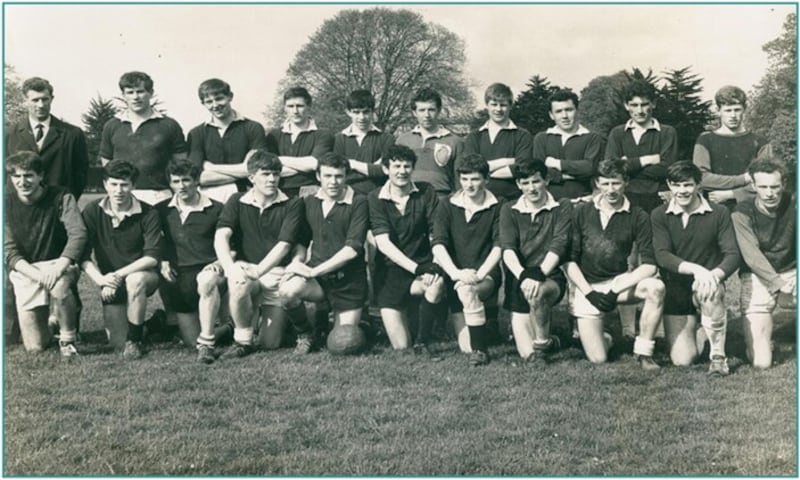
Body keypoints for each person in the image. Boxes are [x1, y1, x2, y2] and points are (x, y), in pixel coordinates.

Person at [5, 77, 89, 344]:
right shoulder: (9, 133)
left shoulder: (71, 134)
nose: (40, 105)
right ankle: (15, 329)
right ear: (25, 100)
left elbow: (79, 175)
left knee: (63, 276)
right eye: (34, 99)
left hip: (58, 211)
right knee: (16, 271)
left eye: (45, 99)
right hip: (21, 211)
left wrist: (63, 205)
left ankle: (69, 329)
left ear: (52, 98)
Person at [565, 159, 665, 368]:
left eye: (616, 183)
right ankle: (607, 336)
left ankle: (643, 352)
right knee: (598, 358)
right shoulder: (581, 211)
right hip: (588, 286)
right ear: (597, 184)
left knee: (656, 288)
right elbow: (569, 261)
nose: (611, 190)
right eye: (606, 183)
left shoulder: (638, 215)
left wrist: (613, 291)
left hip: (619, 284)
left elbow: (649, 265)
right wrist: (589, 292)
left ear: (626, 182)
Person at [651, 161, 741, 376]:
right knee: (683, 360)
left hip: (707, 283)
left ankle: (718, 357)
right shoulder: (659, 214)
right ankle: (704, 329)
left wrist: (713, 275)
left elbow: (733, 254)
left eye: (688, 185)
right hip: (676, 288)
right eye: (676, 185)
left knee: (710, 293)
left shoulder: (718, 212)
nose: (682, 191)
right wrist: (696, 269)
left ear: (698, 185)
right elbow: (662, 255)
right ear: (669, 185)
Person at [214, 149, 305, 358]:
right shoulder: (237, 200)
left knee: (270, 344)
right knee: (238, 279)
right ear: (251, 177)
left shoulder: (293, 203)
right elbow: (222, 236)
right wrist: (229, 269)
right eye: (265, 174)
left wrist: (260, 270)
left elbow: (284, 245)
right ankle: (242, 340)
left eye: (275, 173)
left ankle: (271, 323)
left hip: (276, 274)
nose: (272, 179)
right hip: (248, 272)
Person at [279, 152, 369, 348]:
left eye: (339, 176)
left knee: (342, 342)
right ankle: (304, 334)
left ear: (347, 176)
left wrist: (312, 271)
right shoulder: (310, 202)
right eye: (328, 176)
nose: (333, 182)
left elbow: (352, 249)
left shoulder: (359, 202)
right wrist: (296, 263)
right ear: (318, 176)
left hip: (349, 281)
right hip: (319, 281)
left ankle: (344, 317)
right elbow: (302, 241)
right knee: (287, 291)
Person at [5, 151, 86, 356]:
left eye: (29, 175)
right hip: (27, 270)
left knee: (59, 287)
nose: (23, 182)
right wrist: (38, 275)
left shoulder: (61, 196)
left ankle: (68, 339)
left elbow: (78, 234)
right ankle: (52, 322)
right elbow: (8, 251)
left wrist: (60, 266)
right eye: (17, 176)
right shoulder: (5, 203)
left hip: (59, 265)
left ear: (41, 176)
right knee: (35, 347)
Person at [81, 160, 163, 359]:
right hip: (110, 281)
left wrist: (116, 276)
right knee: (117, 343)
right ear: (105, 184)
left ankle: (134, 342)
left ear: (133, 185)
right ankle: (154, 324)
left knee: (135, 281)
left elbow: (151, 257)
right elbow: (82, 256)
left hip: (143, 276)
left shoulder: (149, 212)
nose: (119, 190)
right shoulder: (92, 210)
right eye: (114, 184)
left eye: (125, 184)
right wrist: (102, 280)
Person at [368, 145, 445, 355]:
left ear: (413, 168)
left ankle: (423, 340)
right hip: (390, 273)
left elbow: (436, 234)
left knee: (435, 285)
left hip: (422, 267)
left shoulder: (426, 191)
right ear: (386, 169)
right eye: (396, 166)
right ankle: (408, 318)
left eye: (407, 166)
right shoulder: (375, 198)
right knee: (401, 346)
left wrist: (434, 265)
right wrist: (417, 268)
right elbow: (383, 243)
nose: (402, 171)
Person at [154, 159, 231, 363]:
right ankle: (227, 328)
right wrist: (161, 261)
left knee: (207, 280)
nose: (182, 186)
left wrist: (220, 263)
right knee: (190, 342)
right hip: (178, 279)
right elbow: (153, 243)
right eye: (176, 181)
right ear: (170, 183)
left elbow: (232, 246)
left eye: (186, 180)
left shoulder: (217, 208)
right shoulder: (161, 210)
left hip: (208, 272)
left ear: (197, 181)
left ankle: (207, 345)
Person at [431, 153, 503, 365]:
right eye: (464, 179)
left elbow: (500, 246)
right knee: (465, 345)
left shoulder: (499, 205)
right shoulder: (447, 204)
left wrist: (479, 275)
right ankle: (487, 325)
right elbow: (438, 244)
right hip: (456, 274)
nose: (469, 185)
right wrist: (455, 274)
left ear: (486, 180)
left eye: (475, 179)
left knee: (468, 290)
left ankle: (481, 352)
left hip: (485, 274)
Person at [499, 159, 571, 363]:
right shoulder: (508, 209)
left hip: (549, 277)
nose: (531, 188)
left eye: (536, 181)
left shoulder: (562, 206)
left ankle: (541, 347)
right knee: (524, 353)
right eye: (525, 183)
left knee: (538, 293)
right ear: (518, 185)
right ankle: (553, 341)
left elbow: (559, 245)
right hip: (519, 279)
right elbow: (508, 248)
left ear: (546, 181)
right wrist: (524, 275)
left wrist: (538, 274)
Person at [731, 158, 796, 369]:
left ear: (783, 184)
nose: (770, 193)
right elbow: (751, 256)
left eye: (775, 187)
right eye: (763, 187)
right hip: (758, 275)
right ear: (753, 186)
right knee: (761, 363)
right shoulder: (741, 212)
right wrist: (777, 283)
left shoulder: (794, 202)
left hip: (792, 270)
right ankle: (760, 342)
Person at [100, 71, 188, 206]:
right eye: (130, 92)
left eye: (140, 91)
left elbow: (181, 164)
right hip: (123, 193)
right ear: (123, 95)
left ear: (151, 93)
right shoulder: (112, 125)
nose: (135, 97)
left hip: (159, 195)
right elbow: (107, 161)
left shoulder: (169, 125)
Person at [187, 78, 268, 203]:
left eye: (219, 98)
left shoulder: (253, 128)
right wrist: (242, 169)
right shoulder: (196, 133)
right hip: (208, 198)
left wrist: (212, 167)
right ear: (203, 104)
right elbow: (197, 178)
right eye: (209, 101)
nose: (215, 105)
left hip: (246, 195)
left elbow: (256, 170)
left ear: (230, 96)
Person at [693, 85, 772, 210]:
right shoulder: (705, 140)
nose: (733, 115)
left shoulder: (760, 142)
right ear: (718, 110)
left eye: (737, 110)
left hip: (750, 209)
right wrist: (743, 179)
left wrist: (732, 194)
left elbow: (767, 180)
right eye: (728, 110)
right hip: (714, 209)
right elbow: (701, 178)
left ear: (744, 109)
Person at [605, 79, 678, 213]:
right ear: (626, 105)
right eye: (634, 105)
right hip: (624, 198)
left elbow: (668, 168)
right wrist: (647, 160)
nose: (640, 110)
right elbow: (611, 169)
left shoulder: (667, 132)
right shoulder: (617, 133)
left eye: (644, 104)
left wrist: (627, 165)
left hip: (658, 199)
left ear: (653, 104)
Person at [460, 83, 532, 201]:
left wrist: (483, 171)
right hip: (479, 200)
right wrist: (506, 161)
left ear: (510, 106)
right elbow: (471, 170)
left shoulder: (522, 135)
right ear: (487, 106)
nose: (498, 109)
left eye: (503, 105)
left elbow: (521, 169)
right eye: (494, 104)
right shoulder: (474, 136)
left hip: (512, 200)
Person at [532, 88, 605, 201]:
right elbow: (538, 172)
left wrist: (556, 163)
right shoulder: (541, 138)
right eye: (558, 111)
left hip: (583, 201)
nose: (564, 116)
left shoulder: (593, 138)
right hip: (549, 202)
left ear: (577, 111)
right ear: (551, 115)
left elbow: (590, 168)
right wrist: (567, 175)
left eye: (569, 110)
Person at [265, 86, 334, 198]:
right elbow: (269, 167)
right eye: (290, 106)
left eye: (300, 106)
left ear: (309, 106)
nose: (295, 111)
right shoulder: (274, 135)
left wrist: (278, 160)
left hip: (311, 192)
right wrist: (303, 167)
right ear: (285, 108)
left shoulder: (323, 135)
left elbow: (314, 164)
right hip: (278, 191)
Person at [395, 87, 463, 199]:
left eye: (431, 110)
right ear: (414, 113)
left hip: (441, 198)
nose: (426, 115)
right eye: (422, 110)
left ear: (439, 110)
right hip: (409, 198)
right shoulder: (402, 140)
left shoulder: (455, 141)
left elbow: (460, 181)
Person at [334, 89, 395, 196]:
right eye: (356, 112)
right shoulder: (339, 139)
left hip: (377, 197)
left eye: (366, 112)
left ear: (372, 111)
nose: (361, 117)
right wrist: (372, 168)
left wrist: (351, 164)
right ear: (348, 112)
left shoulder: (386, 139)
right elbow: (338, 172)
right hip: (347, 198)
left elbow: (385, 171)